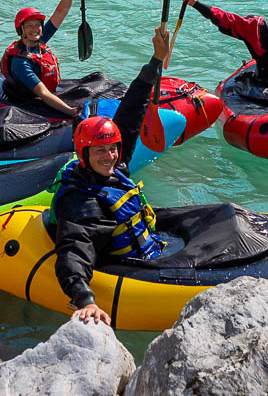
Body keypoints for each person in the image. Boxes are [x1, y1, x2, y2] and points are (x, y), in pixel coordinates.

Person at [52, 27, 171, 326]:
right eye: (100, 152)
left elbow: (131, 111)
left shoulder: (115, 167)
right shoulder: (82, 202)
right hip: (135, 266)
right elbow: (73, 252)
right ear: (84, 155)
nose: (110, 157)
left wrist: (156, 60)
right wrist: (86, 300)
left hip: (151, 243)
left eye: (113, 149)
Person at [0, 0, 87, 116]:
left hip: (46, 90)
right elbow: (43, 93)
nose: (35, 29)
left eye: (38, 25)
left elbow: (61, 11)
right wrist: (71, 112)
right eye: (29, 26)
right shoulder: (20, 63)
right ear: (21, 30)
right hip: (31, 99)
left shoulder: (39, 40)